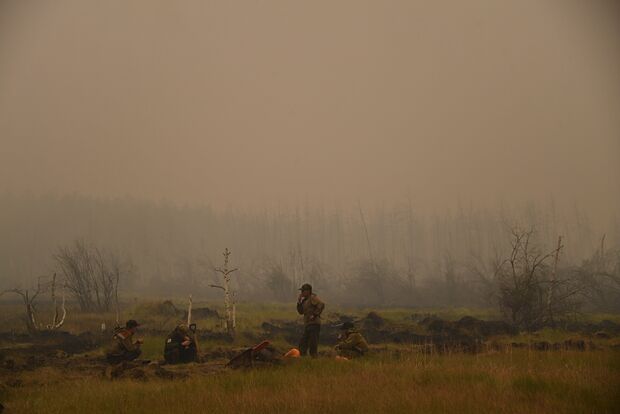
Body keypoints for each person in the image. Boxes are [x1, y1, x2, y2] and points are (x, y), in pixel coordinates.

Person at [296, 283, 325, 358]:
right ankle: (303, 357)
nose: (301, 293)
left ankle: (314, 358)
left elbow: (321, 304)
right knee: (303, 342)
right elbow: (300, 312)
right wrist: (299, 302)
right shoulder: (304, 301)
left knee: (313, 342)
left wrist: (315, 315)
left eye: (303, 291)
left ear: (308, 291)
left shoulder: (312, 298)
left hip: (314, 324)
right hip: (308, 324)